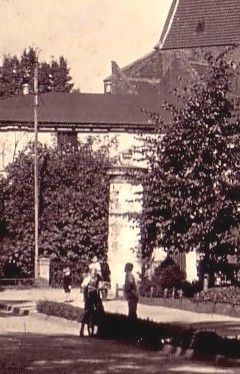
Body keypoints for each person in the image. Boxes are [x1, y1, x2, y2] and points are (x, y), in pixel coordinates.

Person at [79, 268, 104, 337]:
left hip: (95, 297)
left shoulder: (97, 278)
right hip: (89, 297)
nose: (93, 274)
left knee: (94, 313)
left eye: (94, 273)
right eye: (92, 273)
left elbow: (100, 286)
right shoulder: (88, 278)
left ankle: (92, 331)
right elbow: (83, 285)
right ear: (90, 273)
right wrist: (86, 287)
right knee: (87, 313)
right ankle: (82, 329)